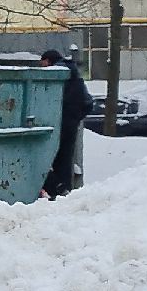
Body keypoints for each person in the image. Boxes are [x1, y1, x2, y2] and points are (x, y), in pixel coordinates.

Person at [42, 48, 91, 198]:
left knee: (47, 158)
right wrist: (75, 118)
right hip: (70, 124)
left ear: (49, 61)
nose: (41, 67)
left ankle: (54, 190)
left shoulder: (55, 75)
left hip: (57, 123)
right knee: (65, 159)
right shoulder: (75, 76)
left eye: (42, 63)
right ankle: (64, 191)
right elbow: (88, 103)